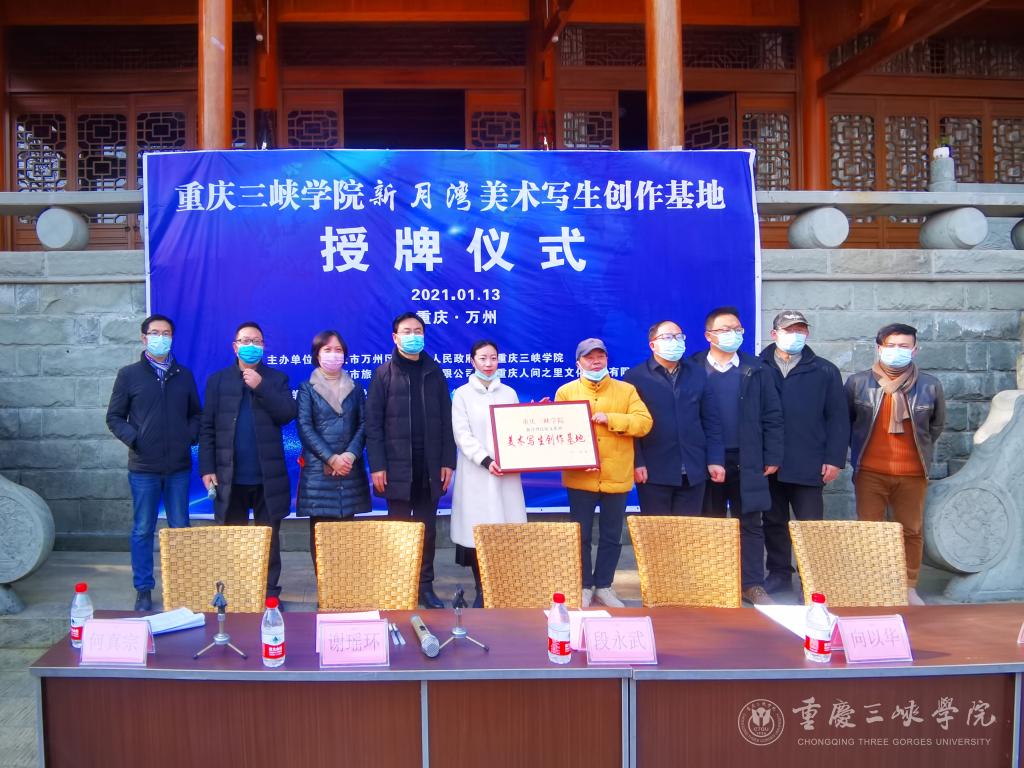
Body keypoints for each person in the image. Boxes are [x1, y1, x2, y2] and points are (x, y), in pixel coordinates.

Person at [106, 314, 201, 611]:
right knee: (143, 529)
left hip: (178, 467)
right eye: (155, 333)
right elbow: (114, 417)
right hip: (144, 468)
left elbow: (196, 414)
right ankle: (144, 589)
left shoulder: (184, 375)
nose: (161, 337)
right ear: (144, 337)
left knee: (180, 527)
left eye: (166, 333)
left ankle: (182, 586)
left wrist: (188, 437)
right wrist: (136, 440)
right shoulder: (129, 375)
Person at [846, 323, 945, 605]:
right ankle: (873, 586)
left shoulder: (930, 385)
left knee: (911, 531)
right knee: (870, 531)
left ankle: (908, 586)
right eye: (891, 346)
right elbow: (848, 423)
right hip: (870, 472)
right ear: (879, 348)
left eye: (904, 346)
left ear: (915, 350)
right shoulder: (858, 383)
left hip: (913, 473)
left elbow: (935, 426)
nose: (897, 351)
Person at [199, 321, 297, 599]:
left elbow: (287, 414)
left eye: (257, 341)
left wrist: (261, 386)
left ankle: (269, 593)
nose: (251, 346)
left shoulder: (276, 379)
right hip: (229, 476)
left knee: (269, 540)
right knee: (234, 540)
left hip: (267, 476)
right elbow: (207, 427)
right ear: (235, 346)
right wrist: (207, 468)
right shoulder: (217, 381)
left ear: (263, 347)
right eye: (245, 341)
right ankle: (239, 593)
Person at [365, 312, 456, 609]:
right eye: (407, 331)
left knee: (427, 530)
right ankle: (401, 586)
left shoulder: (434, 372)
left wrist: (448, 461)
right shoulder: (383, 375)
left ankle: (425, 587)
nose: (413, 336)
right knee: (400, 531)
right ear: (395, 337)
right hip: (396, 467)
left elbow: (447, 421)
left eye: (418, 331)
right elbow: (373, 425)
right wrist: (377, 465)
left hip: (430, 467)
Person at [556, 338, 652, 608]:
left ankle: (604, 586)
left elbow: (644, 423)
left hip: (616, 475)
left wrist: (612, 419)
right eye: (589, 357)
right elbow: (559, 433)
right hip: (580, 477)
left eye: (600, 356)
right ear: (578, 363)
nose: (596, 361)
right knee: (581, 535)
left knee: (612, 536)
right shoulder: (566, 392)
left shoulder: (626, 390)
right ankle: (583, 586)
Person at [698, 306, 784, 606]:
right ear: (709, 336)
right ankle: (713, 583)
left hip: (749, 459)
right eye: (725, 330)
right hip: (708, 459)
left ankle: (752, 584)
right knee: (710, 523)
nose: (732, 334)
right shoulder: (694, 367)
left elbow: (773, 415)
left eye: (737, 329)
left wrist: (772, 454)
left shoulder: (757, 369)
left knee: (750, 523)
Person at [759, 310, 849, 596]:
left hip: (809, 462)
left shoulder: (824, 370)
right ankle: (779, 574)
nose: (795, 335)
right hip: (768, 462)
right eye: (789, 330)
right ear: (774, 334)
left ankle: (813, 582)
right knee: (773, 522)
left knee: (811, 525)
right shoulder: (757, 367)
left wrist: (834, 459)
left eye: (800, 330)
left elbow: (838, 418)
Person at [450, 340, 527, 608]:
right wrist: (485, 460)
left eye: (493, 358)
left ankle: (502, 588)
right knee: (477, 534)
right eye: (482, 358)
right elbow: (462, 434)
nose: (488, 363)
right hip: (477, 474)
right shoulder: (462, 395)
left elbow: (518, 429)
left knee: (505, 531)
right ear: (472, 361)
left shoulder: (509, 393)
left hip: (506, 474)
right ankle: (482, 589)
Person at [624, 320, 725, 516]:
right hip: (654, 471)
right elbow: (632, 426)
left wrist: (715, 459)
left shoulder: (697, 372)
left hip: (694, 469)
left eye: (679, 337)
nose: (675, 341)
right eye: (668, 337)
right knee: (657, 531)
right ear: (653, 345)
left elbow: (711, 420)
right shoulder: (635, 377)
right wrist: (637, 462)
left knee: (688, 531)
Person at [295, 329, 372, 568]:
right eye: (327, 349)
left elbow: (364, 424)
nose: (333, 354)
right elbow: (305, 427)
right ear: (317, 354)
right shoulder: (307, 389)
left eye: (338, 350)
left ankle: (345, 585)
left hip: (349, 470)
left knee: (346, 538)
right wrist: (331, 458)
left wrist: (349, 455)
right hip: (319, 474)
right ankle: (325, 586)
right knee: (321, 538)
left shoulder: (356, 388)